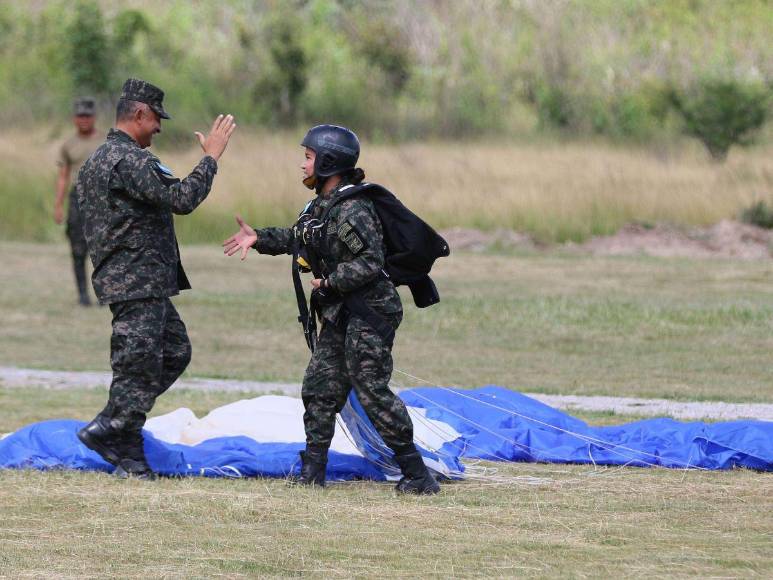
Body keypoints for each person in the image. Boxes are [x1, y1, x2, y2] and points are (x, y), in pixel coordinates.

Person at [223, 124, 440, 494]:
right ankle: (313, 470)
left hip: (370, 311)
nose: (302, 165)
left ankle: (417, 473)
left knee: (370, 388)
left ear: (328, 162)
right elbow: (299, 237)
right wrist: (259, 238)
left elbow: (370, 262)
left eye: (308, 158)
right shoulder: (320, 207)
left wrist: (330, 282)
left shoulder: (353, 209)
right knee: (320, 387)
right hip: (342, 312)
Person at [75, 78, 236, 479]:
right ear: (140, 114)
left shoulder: (97, 159)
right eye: (156, 119)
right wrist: (211, 158)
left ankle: (124, 443)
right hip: (137, 280)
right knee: (138, 364)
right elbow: (181, 199)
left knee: (172, 352)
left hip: (132, 278)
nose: (159, 128)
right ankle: (112, 425)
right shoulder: (129, 160)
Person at [54, 97, 102, 306]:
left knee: (103, 249)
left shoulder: (106, 141)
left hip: (102, 199)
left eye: (87, 115)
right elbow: (63, 176)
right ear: (74, 118)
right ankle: (83, 295)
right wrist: (58, 204)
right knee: (78, 248)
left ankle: (105, 293)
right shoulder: (68, 144)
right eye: (80, 116)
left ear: (94, 118)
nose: (84, 120)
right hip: (77, 199)